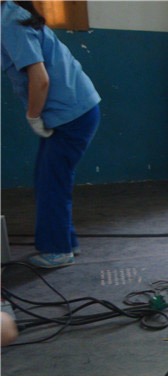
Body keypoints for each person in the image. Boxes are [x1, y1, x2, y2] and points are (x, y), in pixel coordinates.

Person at [1, 1, 100, 268]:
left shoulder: (9, 22)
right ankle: (66, 242)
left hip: (72, 116)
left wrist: (33, 116)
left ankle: (58, 250)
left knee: (51, 183)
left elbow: (40, 78)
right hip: (75, 110)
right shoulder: (12, 14)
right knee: (49, 179)